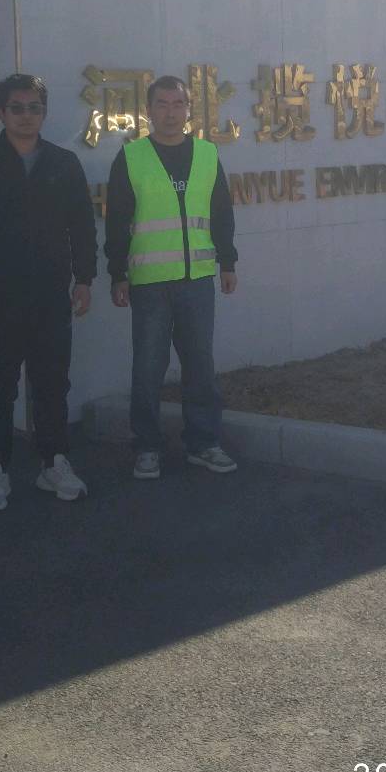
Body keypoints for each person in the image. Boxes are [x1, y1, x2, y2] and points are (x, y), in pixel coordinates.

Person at [0, 73, 96, 511]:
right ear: (0, 112)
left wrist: (84, 278)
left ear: (44, 113)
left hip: (51, 294)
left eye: (34, 108)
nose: (26, 116)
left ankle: (54, 462)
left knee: (52, 383)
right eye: (17, 108)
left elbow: (82, 227)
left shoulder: (63, 164)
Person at [106, 75, 238, 479]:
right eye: (162, 104)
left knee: (200, 365)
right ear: (149, 110)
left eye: (178, 104)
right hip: (149, 282)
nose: (170, 112)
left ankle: (204, 442)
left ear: (188, 109)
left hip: (197, 279)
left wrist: (228, 263)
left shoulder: (207, 154)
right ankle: (147, 446)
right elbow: (117, 221)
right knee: (148, 368)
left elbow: (221, 213)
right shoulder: (131, 157)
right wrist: (117, 273)